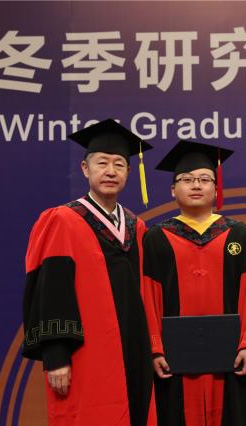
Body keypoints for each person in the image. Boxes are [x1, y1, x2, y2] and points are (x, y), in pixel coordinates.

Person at [22, 119, 157, 426]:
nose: (111, 171)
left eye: (119, 164)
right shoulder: (64, 220)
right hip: (86, 353)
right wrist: (56, 355)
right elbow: (51, 291)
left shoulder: (137, 228)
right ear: (85, 168)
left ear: (128, 172)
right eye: (102, 163)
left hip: (134, 350)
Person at [142, 140, 246, 426]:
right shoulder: (156, 238)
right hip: (173, 363)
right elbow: (147, 298)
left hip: (231, 360)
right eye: (187, 179)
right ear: (173, 190)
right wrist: (154, 349)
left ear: (216, 189)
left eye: (205, 179)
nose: (196, 185)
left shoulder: (239, 235)